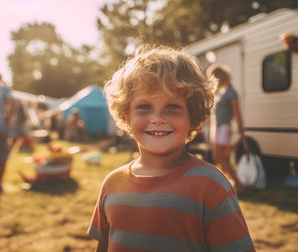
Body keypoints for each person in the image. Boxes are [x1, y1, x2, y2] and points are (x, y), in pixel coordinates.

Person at [88, 45, 255, 251]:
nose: (157, 119)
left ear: (192, 114)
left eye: (172, 106)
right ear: (126, 114)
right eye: (144, 106)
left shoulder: (212, 187)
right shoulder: (112, 184)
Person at [207, 64, 249, 193]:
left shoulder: (231, 92)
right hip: (219, 128)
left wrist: (241, 132)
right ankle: (227, 183)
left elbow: (237, 113)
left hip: (225, 129)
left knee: (220, 158)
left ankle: (238, 184)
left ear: (219, 77)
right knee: (219, 158)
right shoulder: (223, 92)